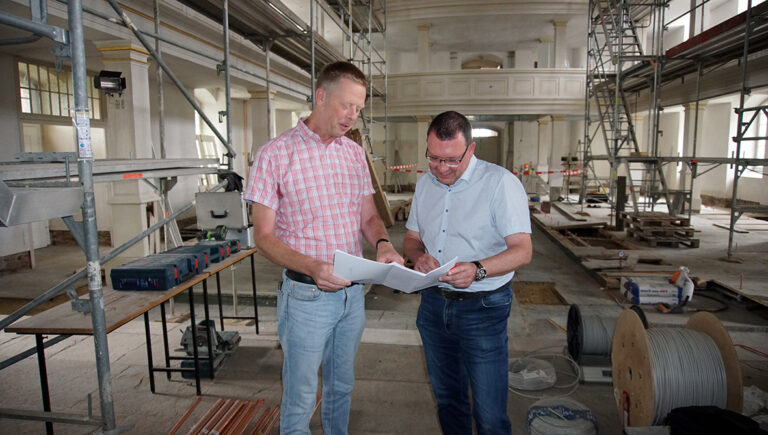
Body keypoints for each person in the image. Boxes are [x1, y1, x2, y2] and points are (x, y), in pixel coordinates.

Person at [244, 61, 404, 434]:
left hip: (353, 296)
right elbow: (264, 236)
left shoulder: (353, 153)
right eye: (346, 105)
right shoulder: (275, 154)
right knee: (300, 394)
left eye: (359, 109)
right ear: (320, 96)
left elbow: (368, 217)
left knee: (341, 387)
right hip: (306, 296)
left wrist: (382, 244)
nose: (352, 116)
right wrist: (315, 267)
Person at [403, 111, 532, 435]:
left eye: (451, 160)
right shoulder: (424, 184)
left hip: (483, 309)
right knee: (448, 401)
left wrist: (478, 269)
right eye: (433, 158)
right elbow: (411, 239)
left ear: (470, 150)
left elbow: (522, 250)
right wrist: (419, 258)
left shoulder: (500, 183)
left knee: (489, 416)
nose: (442, 168)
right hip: (433, 305)